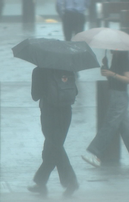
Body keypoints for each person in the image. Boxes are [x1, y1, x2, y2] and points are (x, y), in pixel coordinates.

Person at [82, 50, 129, 167]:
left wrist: (111, 74)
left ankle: (96, 156)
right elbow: (113, 79)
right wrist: (106, 68)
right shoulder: (116, 57)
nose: (109, 49)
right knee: (128, 128)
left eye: (112, 46)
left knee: (109, 125)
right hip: (116, 96)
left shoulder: (123, 57)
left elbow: (128, 79)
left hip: (119, 97)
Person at [28, 67, 79, 197]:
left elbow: (35, 95)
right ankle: (41, 182)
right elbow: (75, 91)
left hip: (49, 113)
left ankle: (71, 181)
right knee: (52, 147)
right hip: (66, 113)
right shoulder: (67, 68)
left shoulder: (39, 70)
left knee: (54, 147)